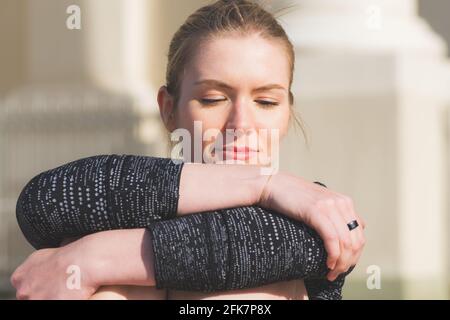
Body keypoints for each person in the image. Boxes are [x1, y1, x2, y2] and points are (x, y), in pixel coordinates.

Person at [11, 0, 365, 300]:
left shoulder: (317, 218)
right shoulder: (124, 206)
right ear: (169, 108)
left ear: (287, 111)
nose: (241, 123)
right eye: (213, 99)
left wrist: (89, 257)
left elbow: (245, 245)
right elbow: (45, 201)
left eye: (266, 101)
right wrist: (263, 184)